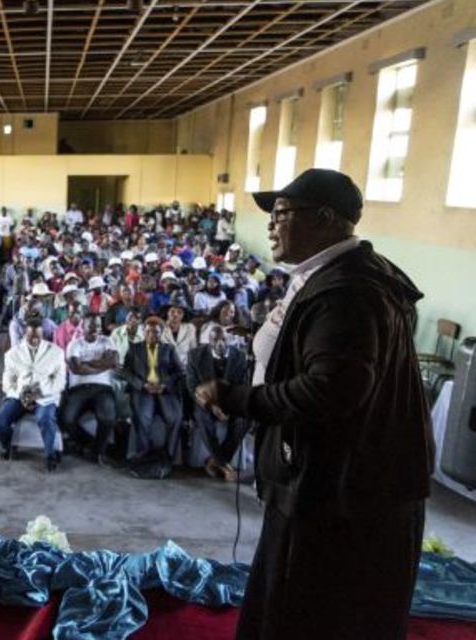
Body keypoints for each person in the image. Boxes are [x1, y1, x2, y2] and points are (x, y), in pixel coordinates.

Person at [195, 169, 433, 640]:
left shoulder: (347, 293)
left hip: (341, 495)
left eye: (281, 213)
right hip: (331, 483)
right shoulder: (333, 276)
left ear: (324, 219)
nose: (270, 225)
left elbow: (331, 389)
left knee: (315, 615)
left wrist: (240, 398)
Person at [0, 313, 67, 472]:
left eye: (38, 336)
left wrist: (37, 393)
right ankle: (8, 447)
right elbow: (7, 381)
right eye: (31, 335)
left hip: (45, 397)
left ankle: (49, 454)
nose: (34, 339)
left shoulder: (56, 353)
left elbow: (60, 382)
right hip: (19, 396)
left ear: (44, 334)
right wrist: (22, 394)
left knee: (45, 418)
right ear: (25, 333)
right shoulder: (13, 354)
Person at [122, 316, 183, 478]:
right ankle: (143, 456)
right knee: (143, 417)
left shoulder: (169, 349)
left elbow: (180, 372)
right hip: (144, 389)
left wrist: (164, 384)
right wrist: (142, 385)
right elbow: (126, 371)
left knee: (175, 417)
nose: (151, 335)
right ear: (143, 332)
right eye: (148, 331)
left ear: (162, 333)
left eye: (155, 332)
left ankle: (168, 457)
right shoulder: (134, 348)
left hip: (163, 389)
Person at [186, 325, 247, 481]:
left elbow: (242, 385)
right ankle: (224, 464)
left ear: (230, 340)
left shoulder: (239, 356)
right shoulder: (195, 355)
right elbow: (192, 387)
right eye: (215, 339)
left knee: (243, 421)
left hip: (231, 401)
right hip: (205, 402)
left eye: (223, 339)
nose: (220, 343)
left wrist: (229, 406)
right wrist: (212, 406)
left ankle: (215, 461)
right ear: (209, 340)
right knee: (203, 419)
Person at [61, 314, 119, 466]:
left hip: (103, 388)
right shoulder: (75, 344)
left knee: (108, 418)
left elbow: (113, 361)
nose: (96, 330)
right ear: (83, 326)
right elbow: (76, 368)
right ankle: (87, 444)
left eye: (99, 326)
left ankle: (97, 453)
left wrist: (86, 364)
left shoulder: (107, 341)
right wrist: (101, 365)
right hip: (78, 388)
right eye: (91, 326)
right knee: (67, 419)